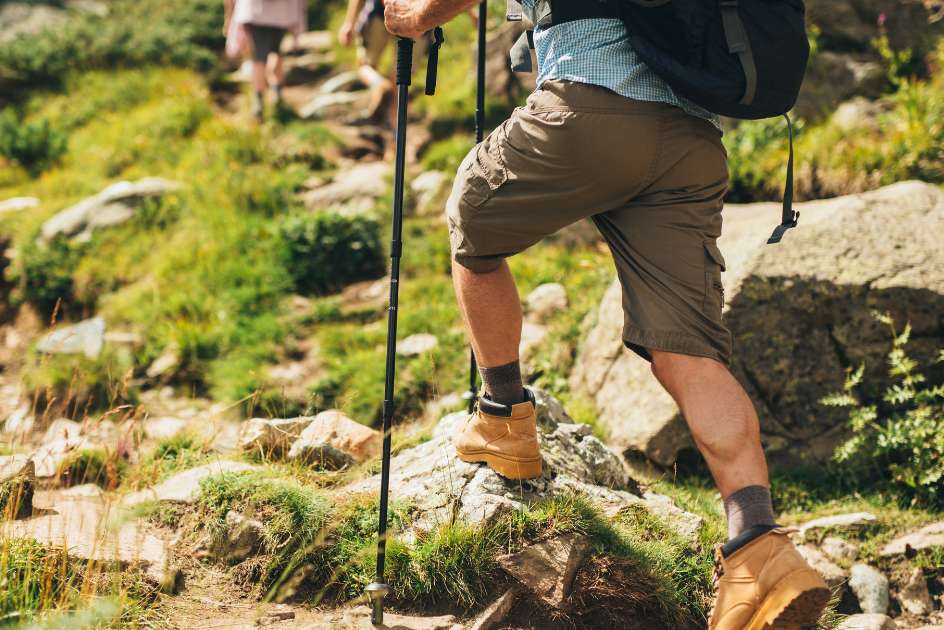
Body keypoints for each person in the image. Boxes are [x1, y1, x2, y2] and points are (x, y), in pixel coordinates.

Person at [383, 1, 831, 629]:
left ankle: (504, 418)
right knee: (690, 353)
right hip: (689, 144)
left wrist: (415, 15)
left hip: (590, 107)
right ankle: (759, 547)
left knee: (473, 215)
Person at [224, 0, 308, 120]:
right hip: (283, 13)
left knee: (259, 57)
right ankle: (277, 97)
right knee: (276, 52)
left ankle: (258, 103)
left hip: (256, 12)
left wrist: (229, 16)